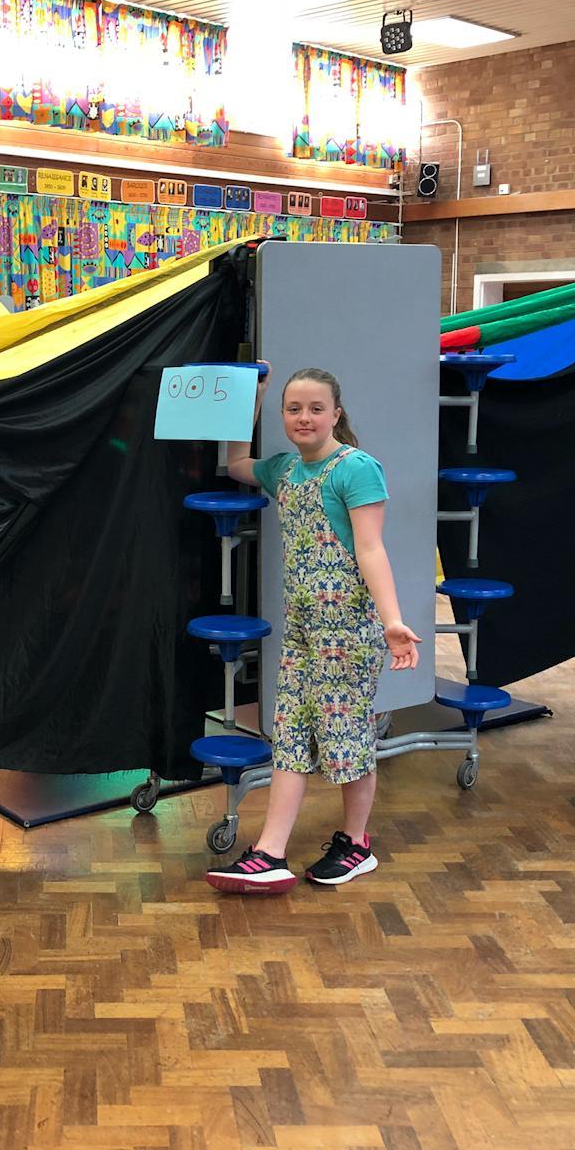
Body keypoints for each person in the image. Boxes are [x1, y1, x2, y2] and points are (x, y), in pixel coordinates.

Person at [207, 364, 420, 893]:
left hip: (347, 633)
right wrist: (251, 398)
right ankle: (269, 853)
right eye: (293, 409)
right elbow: (235, 463)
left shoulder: (357, 468)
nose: (304, 417)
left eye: (316, 409)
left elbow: (371, 548)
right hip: (302, 632)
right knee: (291, 737)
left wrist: (392, 621)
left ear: (336, 414)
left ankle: (357, 844)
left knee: (347, 738)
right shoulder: (285, 470)